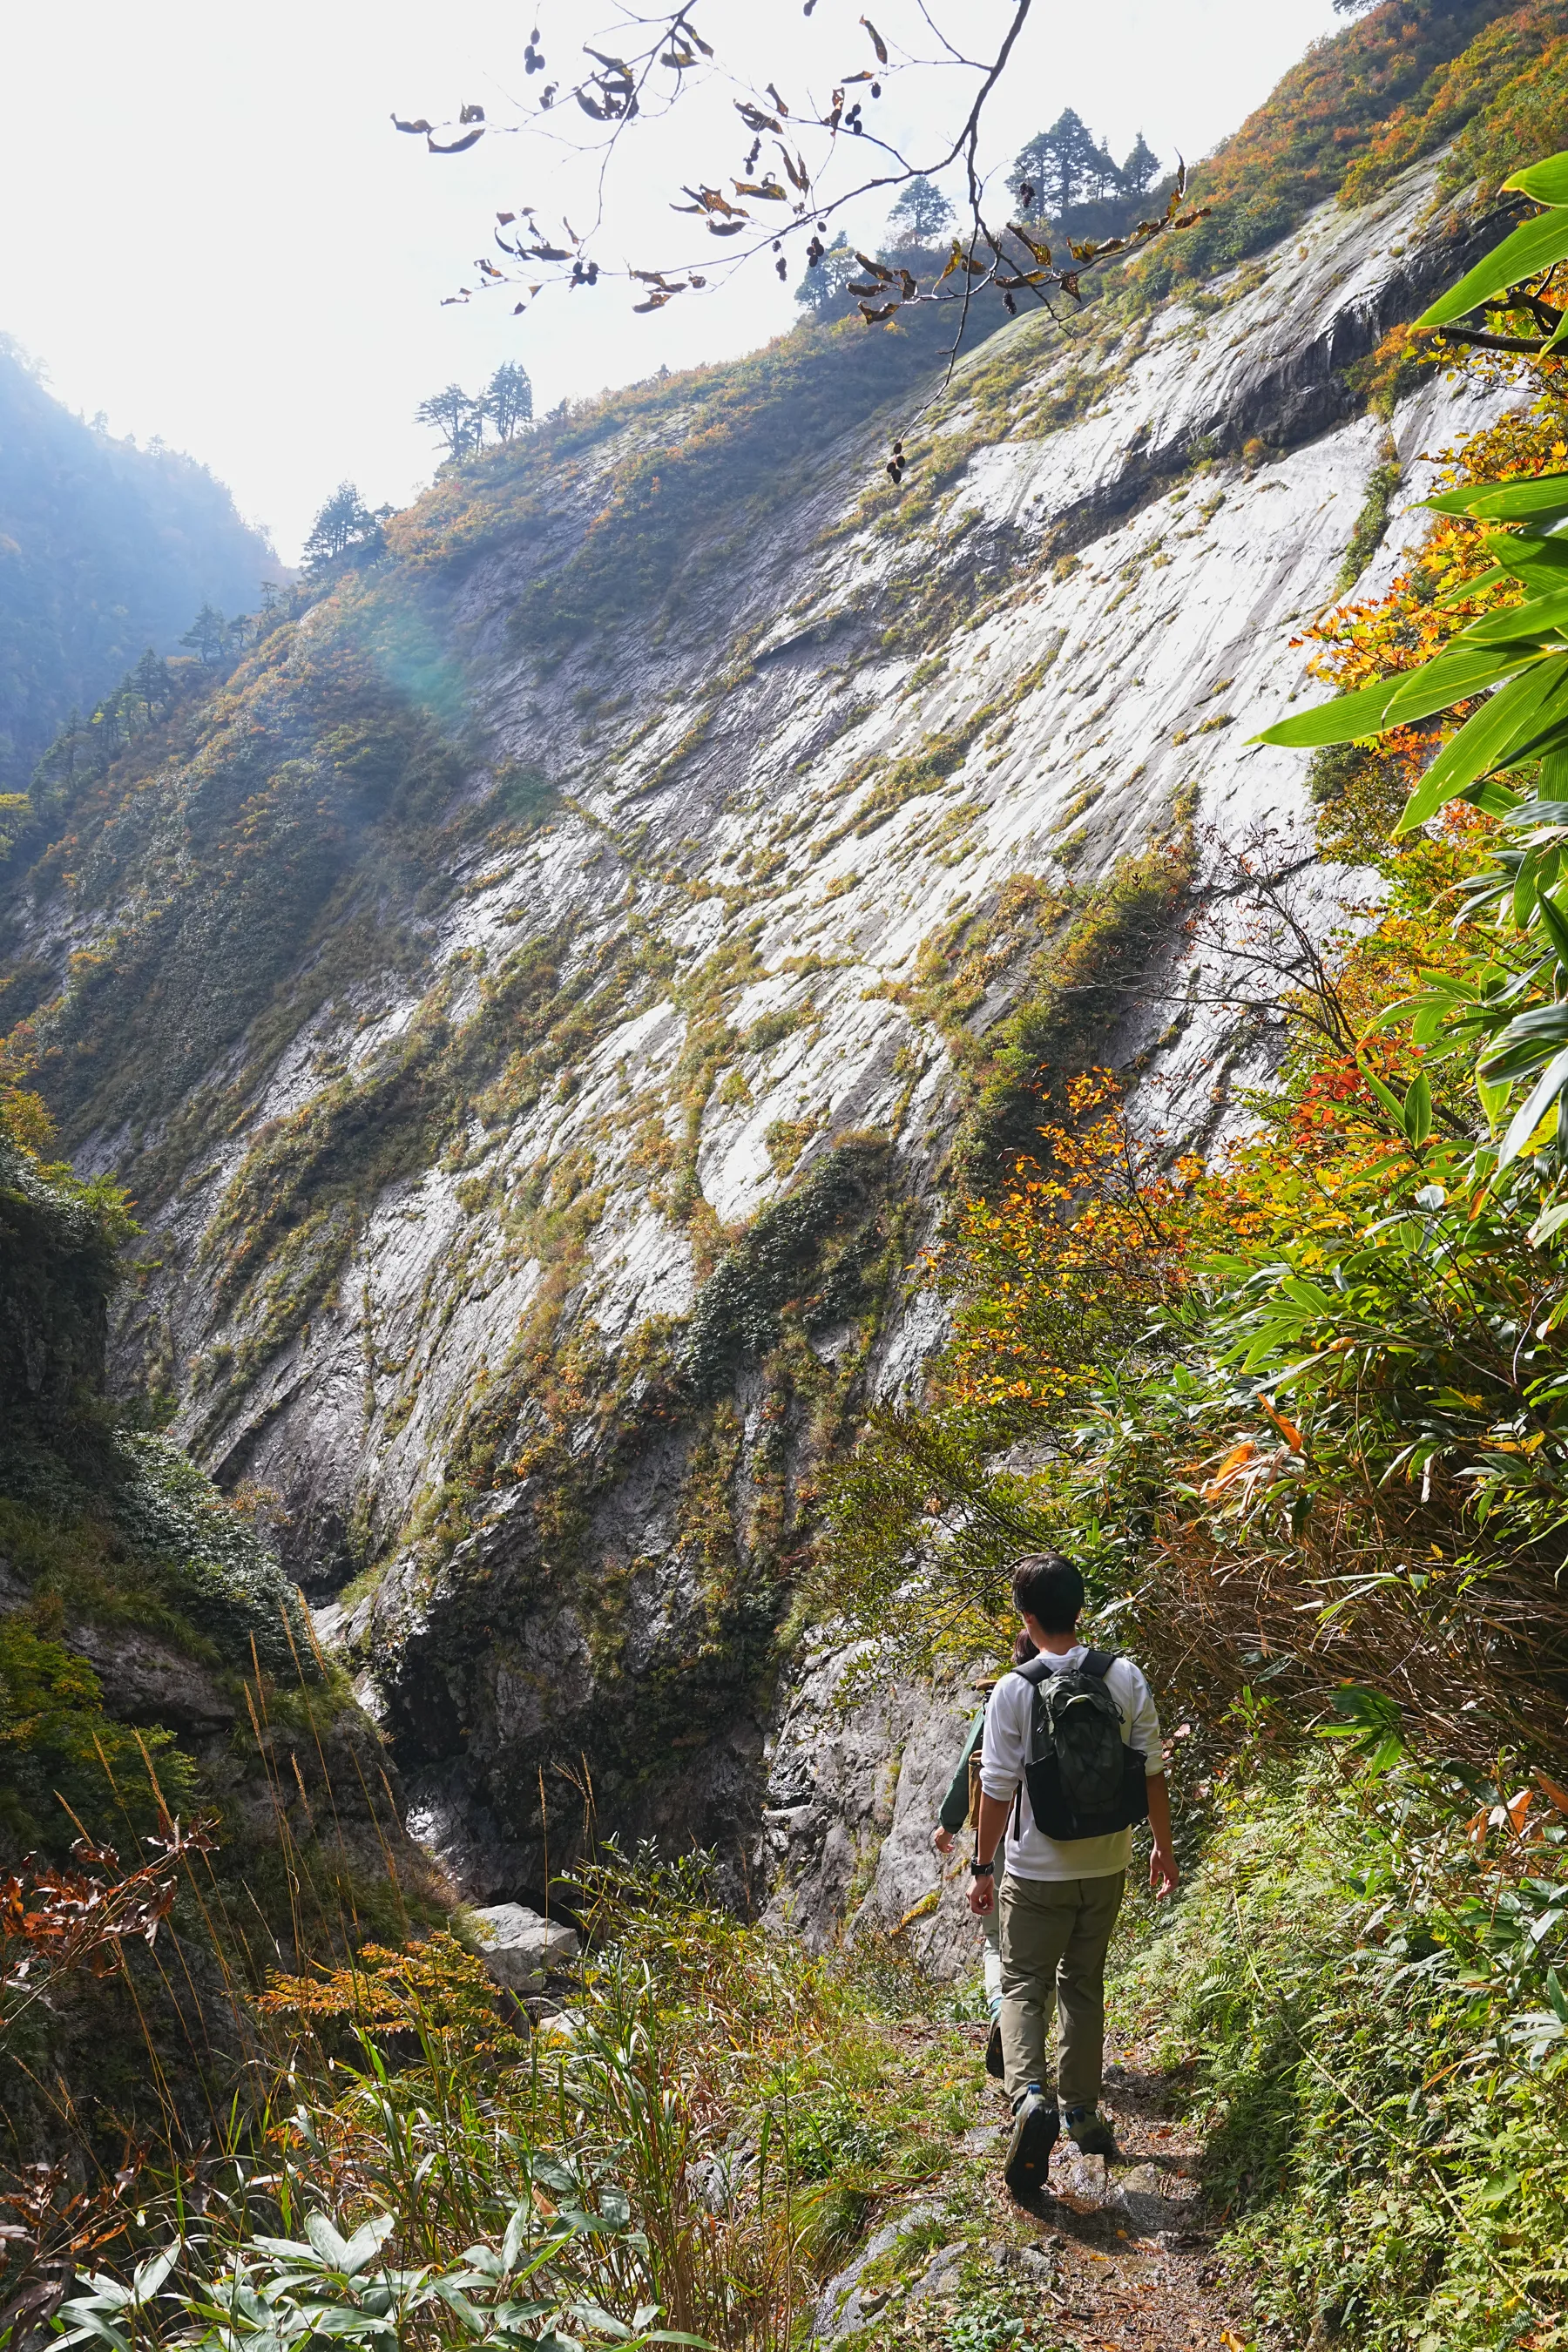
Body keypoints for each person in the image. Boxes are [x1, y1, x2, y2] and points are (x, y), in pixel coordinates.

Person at [969, 1551, 1178, 2200]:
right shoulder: (1124, 1676)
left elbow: (998, 1787)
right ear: (1080, 1609)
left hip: (1035, 1868)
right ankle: (1083, 2109)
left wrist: (981, 1865)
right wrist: (1161, 1851)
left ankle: (1032, 2096)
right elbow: (1152, 1770)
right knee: (1084, 1983)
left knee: (1025, 1980)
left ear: (1026, 1619)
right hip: (1108, 1861)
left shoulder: (1014, 1688)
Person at [932, 1633, 1037, 2077]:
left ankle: (1001, 2016)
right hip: (1063, 1844)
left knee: (997, 1941)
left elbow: (972, 1770)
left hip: (1001, 1840)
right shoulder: (1090, 1687)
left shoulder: (1003, 1697)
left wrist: (948, 1823)